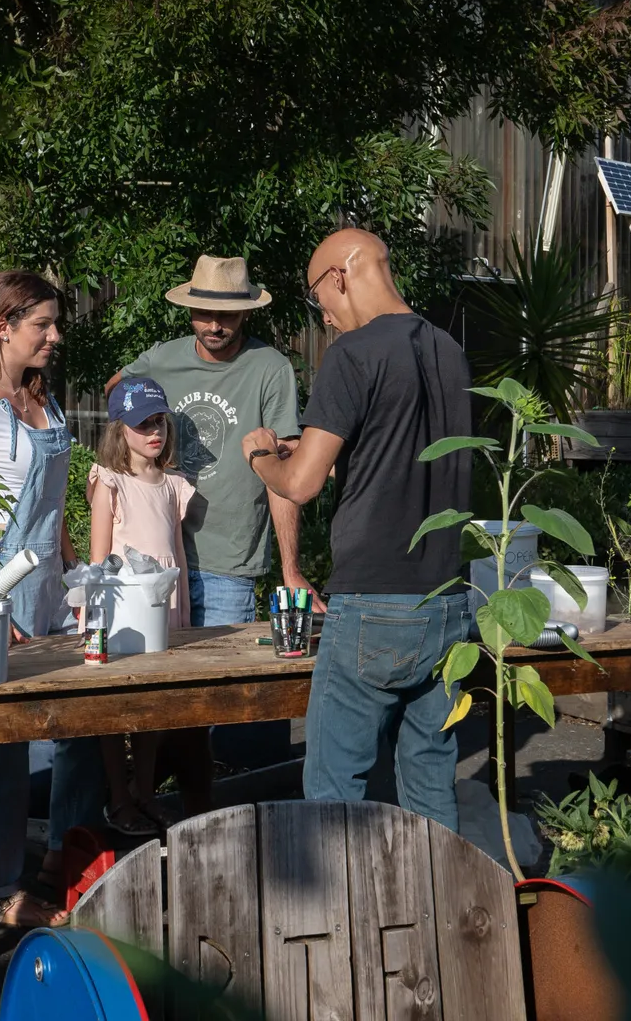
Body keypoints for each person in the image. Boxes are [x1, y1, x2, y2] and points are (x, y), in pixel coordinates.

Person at [241, 229, 474, 830]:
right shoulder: (448, 347)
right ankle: (438, 917)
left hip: (374, 602)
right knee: (428, 782)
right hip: (447, 601)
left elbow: (302, 484)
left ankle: (340, 925)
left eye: (320, 298)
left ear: (340, 276)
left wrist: (264, 455)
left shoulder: (352, 353)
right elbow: (397, 449)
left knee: (333, 792)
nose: (324, 314)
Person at [0, 270, 103, 927]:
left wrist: (78, 575)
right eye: (44, 325)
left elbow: (52, 505)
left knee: (85, 722)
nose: (55, 336)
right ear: (3, 327)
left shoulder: (43, 399)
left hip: (53, 595)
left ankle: (66, 857)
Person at [108, 254, 319, 625]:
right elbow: (117, 392)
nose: (214, 325)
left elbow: (283, 470)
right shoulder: (162, 359)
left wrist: (291, 568)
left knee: (217, 676)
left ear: (246, 313)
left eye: (228, 315)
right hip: (152, 554)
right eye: (204, 313)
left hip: (227, 561)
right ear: (189, 309)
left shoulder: (270, 368)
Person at [83, 376, 195, 836]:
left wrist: (183, 609)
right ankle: (118, 797)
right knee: (114, 707)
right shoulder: (110, 482)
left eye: (160, 422)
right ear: (118, 428)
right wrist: (92, 618)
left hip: (162, 607)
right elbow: (98, 558)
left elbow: (177, 554)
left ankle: (145, 793)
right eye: (142, 423)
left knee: (153, 707)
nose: (154, 431)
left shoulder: (172, 484)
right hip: (121, 611)